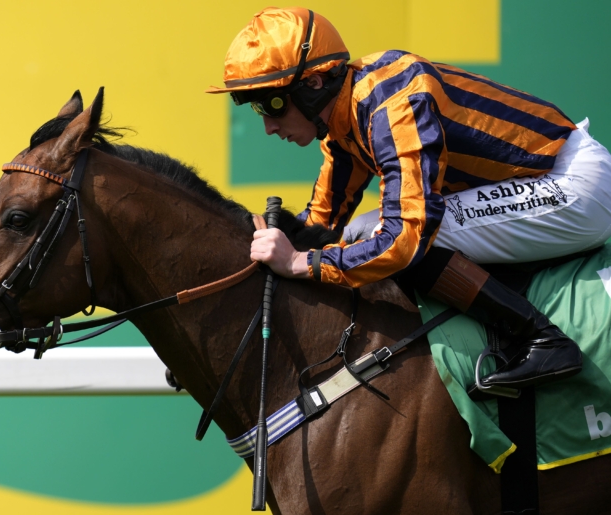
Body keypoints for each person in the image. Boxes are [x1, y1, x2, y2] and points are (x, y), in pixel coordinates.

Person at [207, 7, 611, 390]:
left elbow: (404, 240)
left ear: (313, 84)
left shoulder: (392, 106)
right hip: (539, 182)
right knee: (360, 230)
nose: (268, 126)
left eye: (273, 104)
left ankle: (541, 338)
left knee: (389, 234)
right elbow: (320, 224)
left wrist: (301, 262)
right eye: (257, 108)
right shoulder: (345, 119)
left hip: (573, 183)